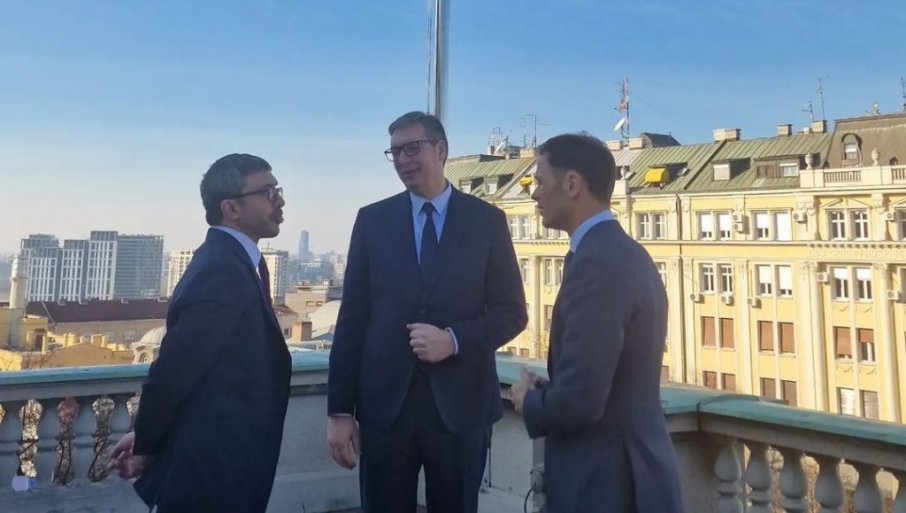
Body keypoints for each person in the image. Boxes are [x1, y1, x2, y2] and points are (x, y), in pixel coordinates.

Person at [327, 111, 527, 513]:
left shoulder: (486, 221)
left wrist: (453, 340)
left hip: (461, 410)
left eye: (412, 149)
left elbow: (512, 312)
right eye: (395, 152)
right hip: (386, 411)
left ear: (441, 150)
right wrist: (339, 412)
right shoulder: (372, 221)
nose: (402, 160)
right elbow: (352, 321)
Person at [509, 133, 684, 513]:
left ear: (572, 184)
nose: (534, 194)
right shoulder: (624, 252)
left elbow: (582, 401)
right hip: (628, 476)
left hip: (606, 485)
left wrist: (530, 401)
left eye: (539, 180)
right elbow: (609, 378)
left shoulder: (596, 263)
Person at [107, 153, 292, 513]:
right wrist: (147, 443)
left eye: (278, 190)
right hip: (212, 474)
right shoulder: (222, 270)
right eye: (268, 192)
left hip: (224, 465)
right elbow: (172, 372)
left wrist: (149, 440)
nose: (280, 201)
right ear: (231, 208)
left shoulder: (237, 262)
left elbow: (206, 373)